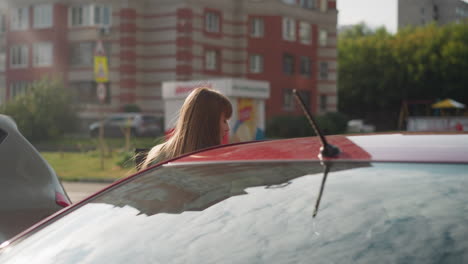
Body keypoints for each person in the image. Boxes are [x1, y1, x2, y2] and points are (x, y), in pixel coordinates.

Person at [140, 87, 232, 169]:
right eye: (224, 121)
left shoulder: (157, 154)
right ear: (209, 124)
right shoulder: (216, 165)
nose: (227, 128)